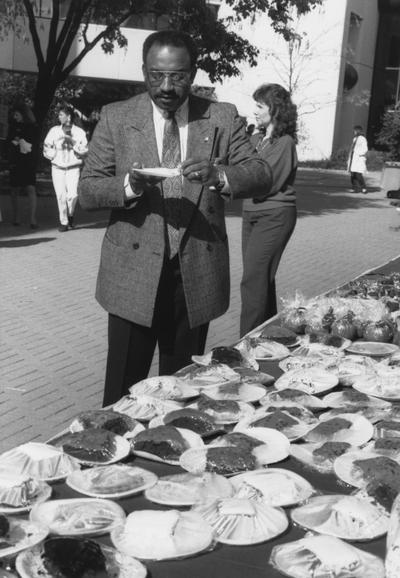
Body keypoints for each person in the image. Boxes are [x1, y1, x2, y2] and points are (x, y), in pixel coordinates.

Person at [78, 29, 272, 407]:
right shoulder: (118, 117)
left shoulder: (220, 116)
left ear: (193, 73)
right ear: (144, 71)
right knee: (122, 393)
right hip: (131, 274)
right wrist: (129, 187)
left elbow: (261, 173)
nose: (166, 86)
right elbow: (88, 189)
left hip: (196, 274)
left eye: (178, 76)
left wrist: (221, 176)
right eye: (156, 75)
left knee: (181, 391)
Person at [240, 83, 298, 337]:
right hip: (250, 213)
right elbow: (236, 167)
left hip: (275, 215)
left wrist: (233, 180)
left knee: (253, 281)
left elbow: (266, 182)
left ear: (274, 109)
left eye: (260, 106)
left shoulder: (284, 143)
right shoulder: (255, 140)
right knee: (261, 280)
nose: (254, 111)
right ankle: (270, 337)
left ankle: (246, 344)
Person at [43, 103, 88, 231]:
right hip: (57, 168)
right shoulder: (54, 131)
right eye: (59, 115)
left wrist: (73, 143)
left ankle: (70, 214)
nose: (59, 117)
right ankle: (63, 221)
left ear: (68, 116)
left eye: (61, 114)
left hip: (73, 168)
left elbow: (84, 150)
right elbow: (46, 147)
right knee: (61, 196)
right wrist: (54, 154)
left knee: (73, 195)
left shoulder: (79, 132)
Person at [5, 103, 38, 229]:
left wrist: (21, 141)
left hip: (28, 162)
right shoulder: (12, 127)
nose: (15, 117)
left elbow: (33, 143)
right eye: (14, 115)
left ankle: (32, 219)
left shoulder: (32, 127)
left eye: (17, 114)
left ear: (24, 115)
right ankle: (16, 217)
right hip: (15, 161)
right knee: (14, 189)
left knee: (31, 188)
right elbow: (9, 141)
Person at [347, 125, 368, 194]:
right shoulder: (355, 139)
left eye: (355, 130)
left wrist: (359, 154)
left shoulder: (362, 139)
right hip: (353, 159)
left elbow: (365, 149)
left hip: (358, 159)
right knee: (353, 174)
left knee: (358, 175)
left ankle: (364, 188)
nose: (354, 132)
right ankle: (354, 188)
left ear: (358, 131)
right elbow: (352, 149)